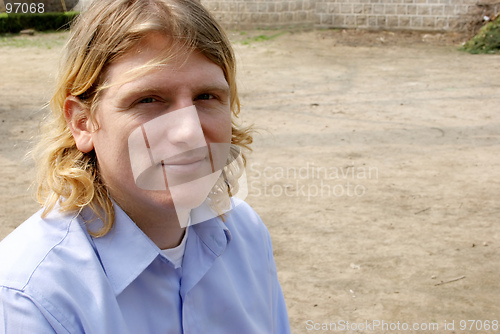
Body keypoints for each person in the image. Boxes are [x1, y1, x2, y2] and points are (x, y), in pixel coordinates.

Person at [0, 0, 291, 333]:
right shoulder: (29, 296)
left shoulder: (245, 234)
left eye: (206, 97)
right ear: (82, 122)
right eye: (148, 100)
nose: (189, 132)